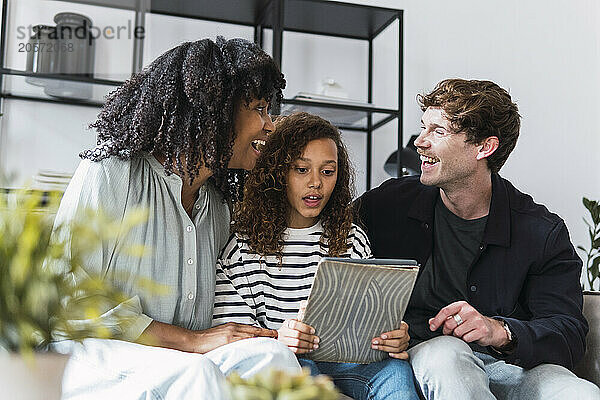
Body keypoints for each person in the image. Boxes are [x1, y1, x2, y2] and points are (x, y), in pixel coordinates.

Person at [50, 37, 300, 400]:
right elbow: (68, 298)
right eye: (260, 109)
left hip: (178, 357)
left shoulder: (216, 204)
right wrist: (191, 341)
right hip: (88, 352)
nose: (269, 125)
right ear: (217, 111)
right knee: (194, 375)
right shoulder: (110, 172)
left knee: (274, 360)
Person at [355, 78, 600, 399]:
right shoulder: (388, 204)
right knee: (447, 355)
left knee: (574, 392)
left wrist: (500, 331)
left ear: (485, 147)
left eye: (438, 131)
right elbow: (320, 240)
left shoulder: (542, 231)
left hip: (510, 363)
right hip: (429, 355)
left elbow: (568, 333)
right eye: (423, 127)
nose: (419, 142)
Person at [212, 112, 420, 400]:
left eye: (327, 171)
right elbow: (232, 341)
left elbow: (368, 318)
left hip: (347, 363)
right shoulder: (242, 247)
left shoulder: (353, 240)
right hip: (286, 364)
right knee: (301, 366)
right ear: (277, 173)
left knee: (396, 370)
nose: (316, 183)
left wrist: (392, 336)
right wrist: (279, 339)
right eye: (300, 169)